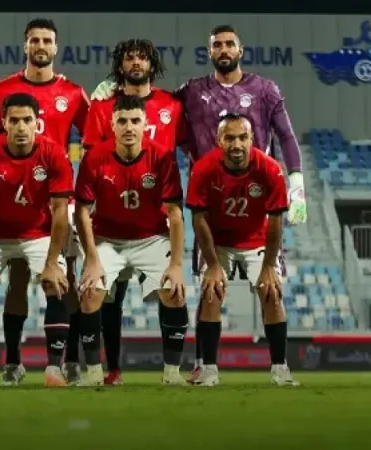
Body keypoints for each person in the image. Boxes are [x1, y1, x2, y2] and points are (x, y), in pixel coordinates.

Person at [91, 25, 306, 382]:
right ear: (210, 52)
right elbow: (148, 97)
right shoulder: (192, 91)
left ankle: (276, 368)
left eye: (229, 44)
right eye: (217, 45)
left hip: (252, 200)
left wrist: (296, 181)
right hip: (206, 198)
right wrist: (111, 88)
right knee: (207, 288)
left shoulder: (265, 90)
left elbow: (286, 134)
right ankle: (202, 365)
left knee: (268, 288)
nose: (224, 50)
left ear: (240, 50)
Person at [0, 17, 89, 386]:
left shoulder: (73, 93)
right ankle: (13, 362)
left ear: (55, 47)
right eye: (34, 40)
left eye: (47, 40)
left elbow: (93, 140)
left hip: (57, 198)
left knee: (65, 278)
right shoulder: (1, 91)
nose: (41, 46)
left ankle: (68, 359)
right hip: (12, 199)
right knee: (16, 281)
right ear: (25, 45)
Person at [80, 38, 186, 386]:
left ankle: (174, 371)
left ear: (153, 64)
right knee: (109, 296)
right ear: (119, 65)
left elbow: (190, 145)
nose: (136, 63)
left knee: (171, 291)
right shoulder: (101, 107)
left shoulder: (172, 105)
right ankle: (110, 369)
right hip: (112, 213)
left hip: (155, 218)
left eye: (143, 57)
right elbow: (92, 160)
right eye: (129, 58)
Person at [0, 93, 73, 387]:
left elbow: (60, 210)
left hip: (37, 233)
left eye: (27, 120)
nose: (21, 127)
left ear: (37, 122)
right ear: (4, 123)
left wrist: (52, 262)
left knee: (56, 283)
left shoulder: (54, 153)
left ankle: (54, 368)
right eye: (14, 120)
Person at [185, 113, 298, 387]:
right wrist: (213, 265)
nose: (236, 144)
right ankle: (209, 370)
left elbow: (276, 222)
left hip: (256, 239)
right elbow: (198, 219)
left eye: (242, 137)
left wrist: (269, 266)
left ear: (252, 139)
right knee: (211, 293)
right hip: (218, 241)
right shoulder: (203, 169)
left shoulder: (270, 169)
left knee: (272, 294)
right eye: (230, 138)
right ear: (219, 140)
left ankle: (280, 370)